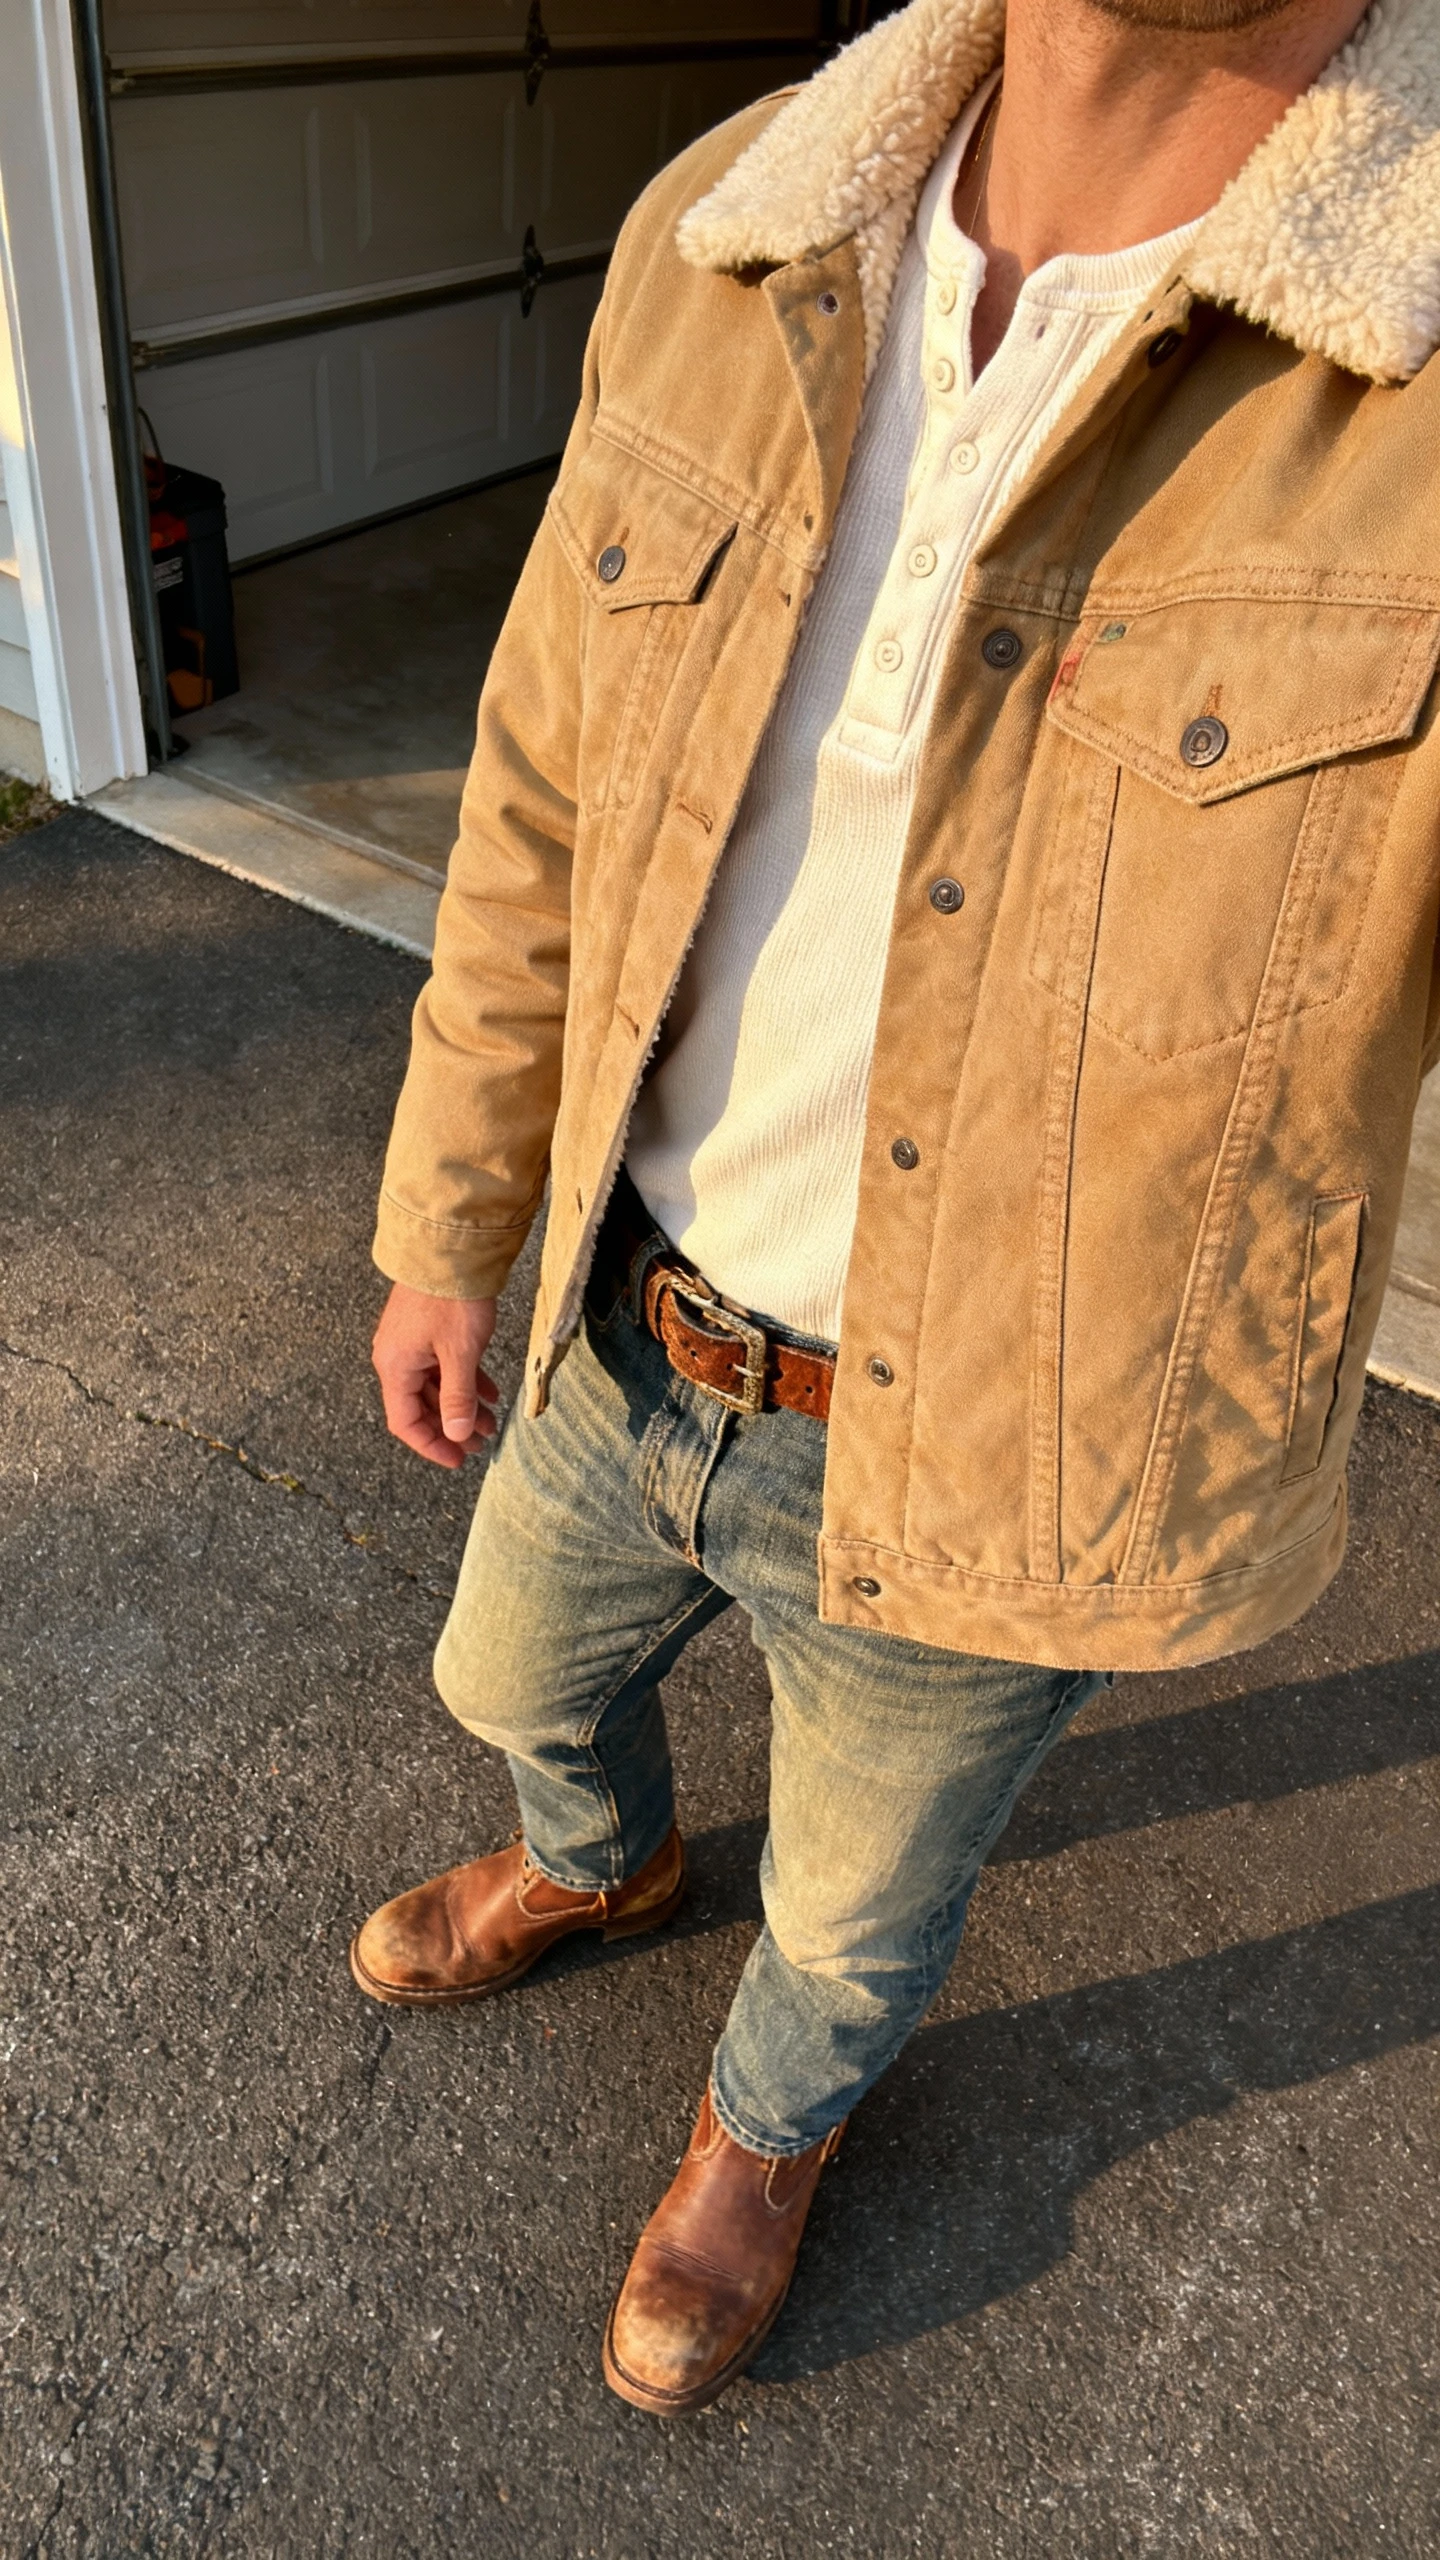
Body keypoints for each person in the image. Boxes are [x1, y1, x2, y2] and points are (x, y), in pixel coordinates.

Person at [352, 0, 1440, 2415]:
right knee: (504, 1677)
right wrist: (450, 1218)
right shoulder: (738, 223)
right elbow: (542, 791)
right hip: (635, 1313)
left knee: (855, 1914)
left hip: (993, 1450)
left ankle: (766, 2132)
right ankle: (600, 1855)